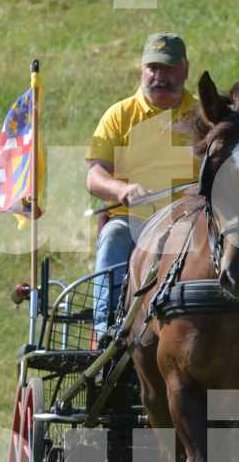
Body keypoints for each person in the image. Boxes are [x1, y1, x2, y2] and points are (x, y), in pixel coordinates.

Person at [86, 32, 201, 337]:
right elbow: (94, 177)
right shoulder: (119, 115)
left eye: (169, 69)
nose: (159, 77)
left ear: (185, 70)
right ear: (142, 69)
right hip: (133, 220)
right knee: (112, 237)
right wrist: (122, 190)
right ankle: (105, 329)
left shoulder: (203, 116)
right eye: (153, 68)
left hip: (188, 222)